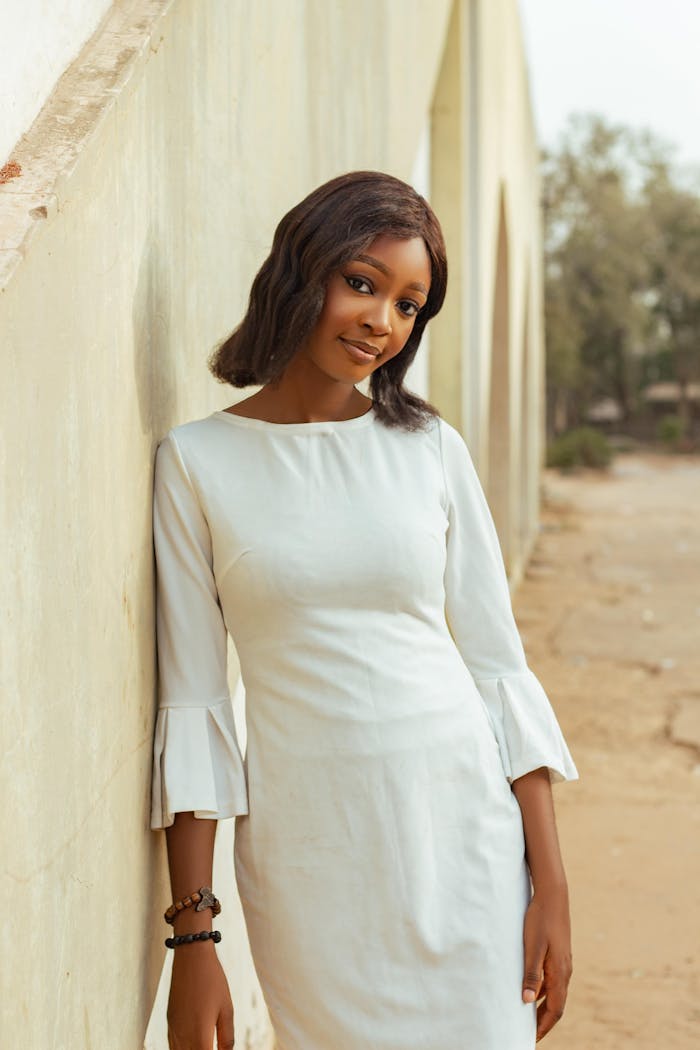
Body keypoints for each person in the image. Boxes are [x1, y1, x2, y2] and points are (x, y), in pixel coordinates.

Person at [150, 170, 578, 1050]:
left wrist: (552, 886)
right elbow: (191, 704)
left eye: (410, 303)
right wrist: (194, 939)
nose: (384, 320)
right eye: (362, 282)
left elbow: (497, 669)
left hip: (467, 843)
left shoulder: (430, 450)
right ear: (301, 271)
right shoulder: (196, 464)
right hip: (313, 862)